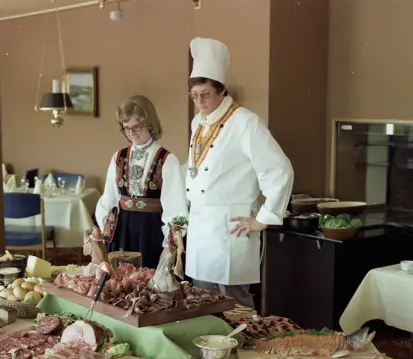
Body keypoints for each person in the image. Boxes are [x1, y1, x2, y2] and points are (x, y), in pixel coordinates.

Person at [185, 38, 294, 308]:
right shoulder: (198, 122)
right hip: (200, 229)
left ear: (221, 90)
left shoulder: (245, 122)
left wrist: (263, 219)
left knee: (234, 305)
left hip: (229, 230)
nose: (199, 101)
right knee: (201, 304)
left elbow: (280, 170)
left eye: (205, 94)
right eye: (194, 95)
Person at [95, 95, 188, 269]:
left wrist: (169, 245)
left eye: (136, 127)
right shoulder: (118, 157)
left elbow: (175, 206)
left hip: (152, 231)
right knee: (120, 279)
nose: (131, 133)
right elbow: (109, 198)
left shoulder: (167, 159)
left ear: (150, 124)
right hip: (123, 230)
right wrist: (103, 229)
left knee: (148, 278)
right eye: (126, 128)